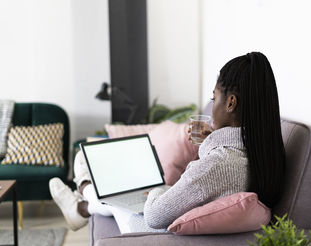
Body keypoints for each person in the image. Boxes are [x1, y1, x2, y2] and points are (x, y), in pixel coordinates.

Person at [49, 51, 285, 233]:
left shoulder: (218, 163)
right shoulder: (266, 151)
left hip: (154, 232)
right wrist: (211, 138)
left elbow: (154, 217)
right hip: (186, 219)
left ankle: (84, 192)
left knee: (114, 196)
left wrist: (156, 190)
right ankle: (81, 207)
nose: (212, 105)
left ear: (231, 103)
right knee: (120, 194)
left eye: (214, 98)